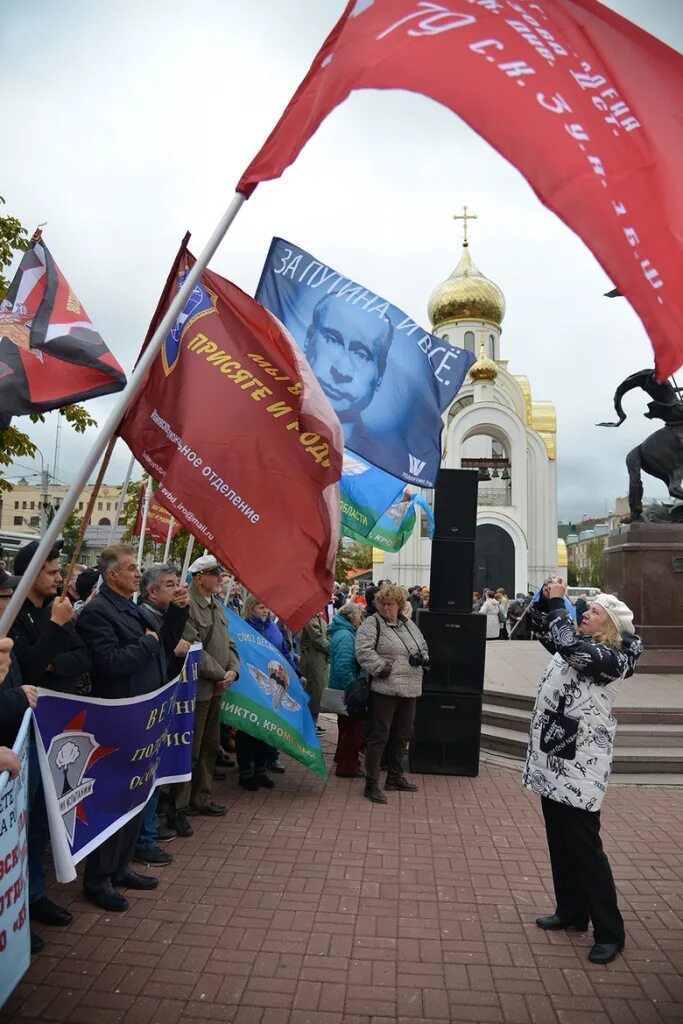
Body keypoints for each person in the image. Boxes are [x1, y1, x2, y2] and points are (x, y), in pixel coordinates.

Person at [523, 581, 643, 965]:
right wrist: (545, 601)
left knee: (585, 848)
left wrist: (560, 602)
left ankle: (610, 931)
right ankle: (571, 912)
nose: (584, 613)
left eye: (593, 611)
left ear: (608, 625)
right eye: (584, 609)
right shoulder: (573, 643)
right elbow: (545, 629)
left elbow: (572, 647)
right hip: (555, 752)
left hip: (581, 766)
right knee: (559, 839)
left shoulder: (612, 657)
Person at [76, 545, 175, 912]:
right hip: (119, 717)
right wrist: (148, 644)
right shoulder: (98, 612)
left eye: (138, 567)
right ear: (111, 574)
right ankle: (99, 879)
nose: (138, 573)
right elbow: (109, 664)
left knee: (136, 794)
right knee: (114, 798)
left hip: (142, 716)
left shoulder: (129, 607)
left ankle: (121, 867)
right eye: (131, 568)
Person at [10, 541, 92, 940]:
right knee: (21, 820)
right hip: (19, 734)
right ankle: (17, 902)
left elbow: (83, 658)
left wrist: (54, 661)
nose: (60, 578)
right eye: (51, 571)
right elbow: (24, 667)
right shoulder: (15, 616)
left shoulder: (54, 610)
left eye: (60, 570)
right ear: (29, 574)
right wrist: (56, 633)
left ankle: (35, 893)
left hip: (54, 731)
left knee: (43, 815)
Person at [171, 555, 239, 821]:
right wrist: (222, 672)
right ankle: (180, 804)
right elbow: (194, 647)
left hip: (217, 688)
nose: (221, 579)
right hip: (197, 690)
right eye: (216, 574)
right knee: (191, 749)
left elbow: (229, 642)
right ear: (201, 578)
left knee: (210, 746)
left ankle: (202, 797)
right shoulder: (188, 605)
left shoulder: (217, 606)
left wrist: (233, 669)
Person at [134, 564, 191, 862]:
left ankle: (149, 831)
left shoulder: (164, 613)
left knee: (154, 773)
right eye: (169, 584)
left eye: (176, 582)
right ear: (152, 591)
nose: (176, 588)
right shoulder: (144, 616)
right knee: (145, 775)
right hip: (146, 703)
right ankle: (143, 840)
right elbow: (165, 651)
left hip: (160, 699)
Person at [355, 584, 429, 804]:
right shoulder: (372, 624)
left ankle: (395, 777)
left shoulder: (409, 625)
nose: (387, 608)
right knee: (380, 736)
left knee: (403, 733)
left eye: (391, 604)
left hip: (410, 687)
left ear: (400, 605)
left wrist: (424, 658)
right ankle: (371, 783)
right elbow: (362, 650)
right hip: (385, 689)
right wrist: (381, 667)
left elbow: (422, 645)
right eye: (383, 604)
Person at [304, 293, 392, 448]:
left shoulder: (383, 463)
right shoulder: (256, 414)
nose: (341, 370)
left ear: (379, 378)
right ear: (307, 341)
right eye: (332, 340)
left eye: (362, 355)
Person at [239, 595, 296, 787]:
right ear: (251, 609)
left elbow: (284, 651)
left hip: (272, 686)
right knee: (248, 730)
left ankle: (261, 769)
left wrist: (295, 673)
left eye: (267, 608)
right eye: (261, 608)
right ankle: (246, 773)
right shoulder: (244, 628)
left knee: (265, 729)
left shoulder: (272, 626)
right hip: (251, 685)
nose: (266, 611)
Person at [327, 603, 364, 778]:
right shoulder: (346, 635)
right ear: (352, 617)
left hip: (342, 687)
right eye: (359, 616)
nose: (361, 619)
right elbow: (343, 666)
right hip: (347, 689)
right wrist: (354, 687)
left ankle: (342, 758)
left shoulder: (342, 632)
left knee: (346, 727)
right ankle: (347, 766)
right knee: (351, 729)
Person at [299, 611, 329, 729]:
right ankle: (309, 726)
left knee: (317, 694)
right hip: (313, 662)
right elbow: (318, 639)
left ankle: (312, 724)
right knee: (313, 694)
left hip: (319, 661)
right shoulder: (310, 618)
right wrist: (332, 648)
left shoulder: (319, 617)